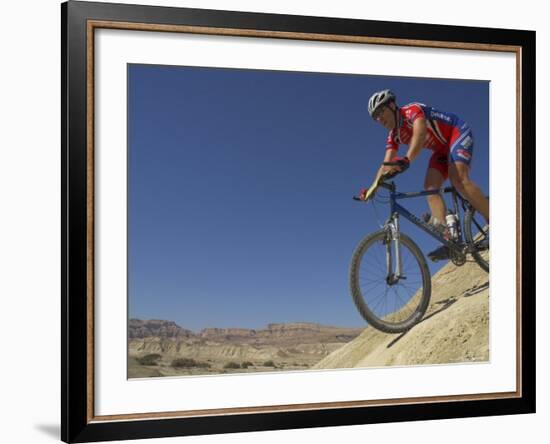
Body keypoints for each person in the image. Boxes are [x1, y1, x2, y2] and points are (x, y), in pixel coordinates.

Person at [362, 89, 489, 261]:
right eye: (375, 117)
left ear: (392, 105)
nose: (379, 119)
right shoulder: (393, 136)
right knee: (430, 188)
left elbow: (420, 135)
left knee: (458, 179)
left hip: (456, 132)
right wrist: (372, 188)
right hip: (441, 150)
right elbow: (385, 164)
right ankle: (449, 239)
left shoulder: (412, 111)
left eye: (380, 112)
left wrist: (407, 159)